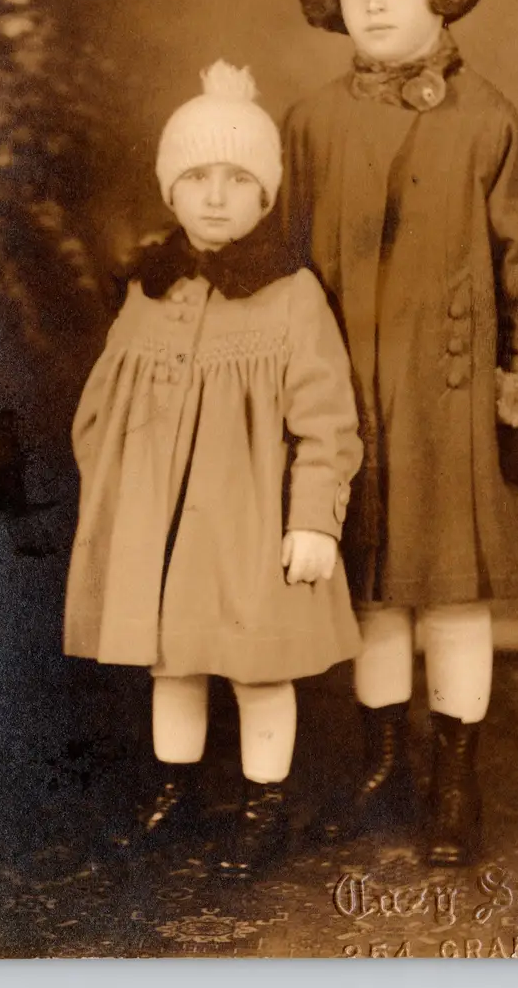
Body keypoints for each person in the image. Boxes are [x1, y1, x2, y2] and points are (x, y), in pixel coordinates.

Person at [280, 0, 518, 866]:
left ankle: (455, 778)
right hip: (350, 400)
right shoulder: (311, 121)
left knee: (450, 596)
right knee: (371, 592)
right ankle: (379, 767)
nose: (373, 1)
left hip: (450, 410)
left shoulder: (488, 119)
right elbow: (282, 266)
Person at [63, 60, 363, 879]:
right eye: (197, 176)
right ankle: (176, 789)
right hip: (161, 525)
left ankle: (265, 804)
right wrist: (115, 495)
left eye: (239, 179)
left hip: (248, 522)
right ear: (171, 189)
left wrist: (313, 517)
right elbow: (105, 401)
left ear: (266, 196)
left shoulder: (292, 293)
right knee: (176, 660)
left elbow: (327, 418)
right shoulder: (150, 287)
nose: (217, 195)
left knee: (258, 669)